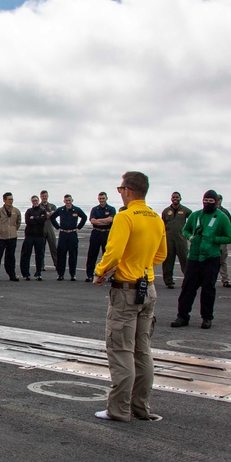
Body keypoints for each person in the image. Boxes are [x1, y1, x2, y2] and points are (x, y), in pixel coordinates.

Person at [91, 171, 166, 423]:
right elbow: (161, 255)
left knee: (120, 348)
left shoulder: (125, 217)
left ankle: (119, 409)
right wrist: (141, 264)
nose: (119, 193)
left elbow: (113, 253)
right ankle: (140, 407)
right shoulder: (156, 217)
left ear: (128, 191)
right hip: (148, 287)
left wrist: (100, 272)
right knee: (142, 350)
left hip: (126, 290)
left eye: (120, 189)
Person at [172, 190, 231, 329]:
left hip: (211, 257)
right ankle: (182, 316)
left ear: (216, 202)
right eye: (205, 200)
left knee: (208, 288)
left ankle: (207, 318)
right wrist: (190, 237)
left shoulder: (221, 217)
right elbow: (185, 230)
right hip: (194, 257)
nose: (207, 203)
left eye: (210, 201)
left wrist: (214, 239)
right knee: (187, 288)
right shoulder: (195, 215)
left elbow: (230, 237)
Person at [49, 194, 87, 281]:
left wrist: (79, 227)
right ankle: (60, 274)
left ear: (72, 200)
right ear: (64, 201)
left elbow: (84, 217)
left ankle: (72, 274)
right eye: (66, 201)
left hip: (72, 234)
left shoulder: (76, 210)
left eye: (69, 200)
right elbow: (52, 217)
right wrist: (57, 227)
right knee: (61, 255)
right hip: (63, 234)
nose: (68, 202)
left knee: (73, 255)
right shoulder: (61, 210)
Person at [161, 192, 191, 289]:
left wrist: (188, 234)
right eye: (173, 197)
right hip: (168, 239)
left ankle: (188, 280)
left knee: (185, 260)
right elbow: (162, 226)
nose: (175, 199)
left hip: (181, 239)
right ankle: (168, 281)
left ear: (180, 198)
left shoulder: (186, 211)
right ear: (171, 198)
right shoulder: (166, 211)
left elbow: (193, 223)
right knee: (168, 261)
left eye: (177, 197)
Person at [85, 192, 116, 281]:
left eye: (103, 198)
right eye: (100, 199)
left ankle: (108, 275)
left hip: (106, 233)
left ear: (106, 198)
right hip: (96, 233)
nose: (101, 200)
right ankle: (89, 275)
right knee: (92, 254)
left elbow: (111, 220)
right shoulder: (95, 209)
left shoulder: (111, 209)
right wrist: (104, 221)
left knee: (107, 255)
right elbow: (93, 221)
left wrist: (99, 220)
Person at [0, 192, 22, 282]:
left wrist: (13, 230)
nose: (11, 201)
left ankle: (12, 275)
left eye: (12, 199)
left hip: (12, 237)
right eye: (9, 199)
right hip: (1, 238)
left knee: (10, 257)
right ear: (4, 200)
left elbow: (18, 222)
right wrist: (1, 230)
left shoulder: (16, 211)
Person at [20, 195, 48, 281]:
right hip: (29, 236)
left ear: (38, 201)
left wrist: (35, 218)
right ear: (31, 202)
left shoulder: (43, 210)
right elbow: (28, 221)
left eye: (36, 200)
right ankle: (26, 274)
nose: (35, 202)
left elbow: (43, 220)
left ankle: (38, 273)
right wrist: (37, 219)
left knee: (39, 255)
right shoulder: (29, 211)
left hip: (40, 236)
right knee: (26, 255)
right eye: (33, 201)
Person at [39, 190, 60, 276]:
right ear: (41, 197)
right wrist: (47, 214)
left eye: (45, 196)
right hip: (41, 228)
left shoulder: (52, 206)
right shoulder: (38, 206)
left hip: (50, 227)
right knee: (41, 248)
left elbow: (54, 214)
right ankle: (41, 265)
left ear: (47, 196)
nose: (44, 197)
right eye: (43, 196)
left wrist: (47, 214)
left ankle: (57, 264)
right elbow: (42, 214)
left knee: (53, 247)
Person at [216, 195, 231, 288]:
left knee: (222, 260)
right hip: (210, 240)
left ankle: (225, 279)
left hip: (222, 240)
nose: (218, 202)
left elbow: (229, 226)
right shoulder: (208, 211)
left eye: (219, 200)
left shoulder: (225, 212)